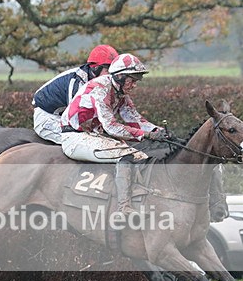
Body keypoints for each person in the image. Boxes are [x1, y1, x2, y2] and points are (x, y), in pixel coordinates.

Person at [59, 53, 170, 215]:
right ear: (119, 77)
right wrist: (145, 135)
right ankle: (123, 207)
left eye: (137, 80)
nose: (134, 85)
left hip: (93, 135)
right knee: (127, 155)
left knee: (141, 156)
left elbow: (135, 119)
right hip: (75, 137)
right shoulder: (99, 88)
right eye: (132, 80)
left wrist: (158, 131)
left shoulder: (120, 93)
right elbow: (111, 127)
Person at [32, 45, 119, 144]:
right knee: (80, 143)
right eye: (108, 70)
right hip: (47, 118)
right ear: (95, 68)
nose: (110, 76)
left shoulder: (95, 80)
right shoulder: (77, 82)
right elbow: (74, 116)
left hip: (60, 116)